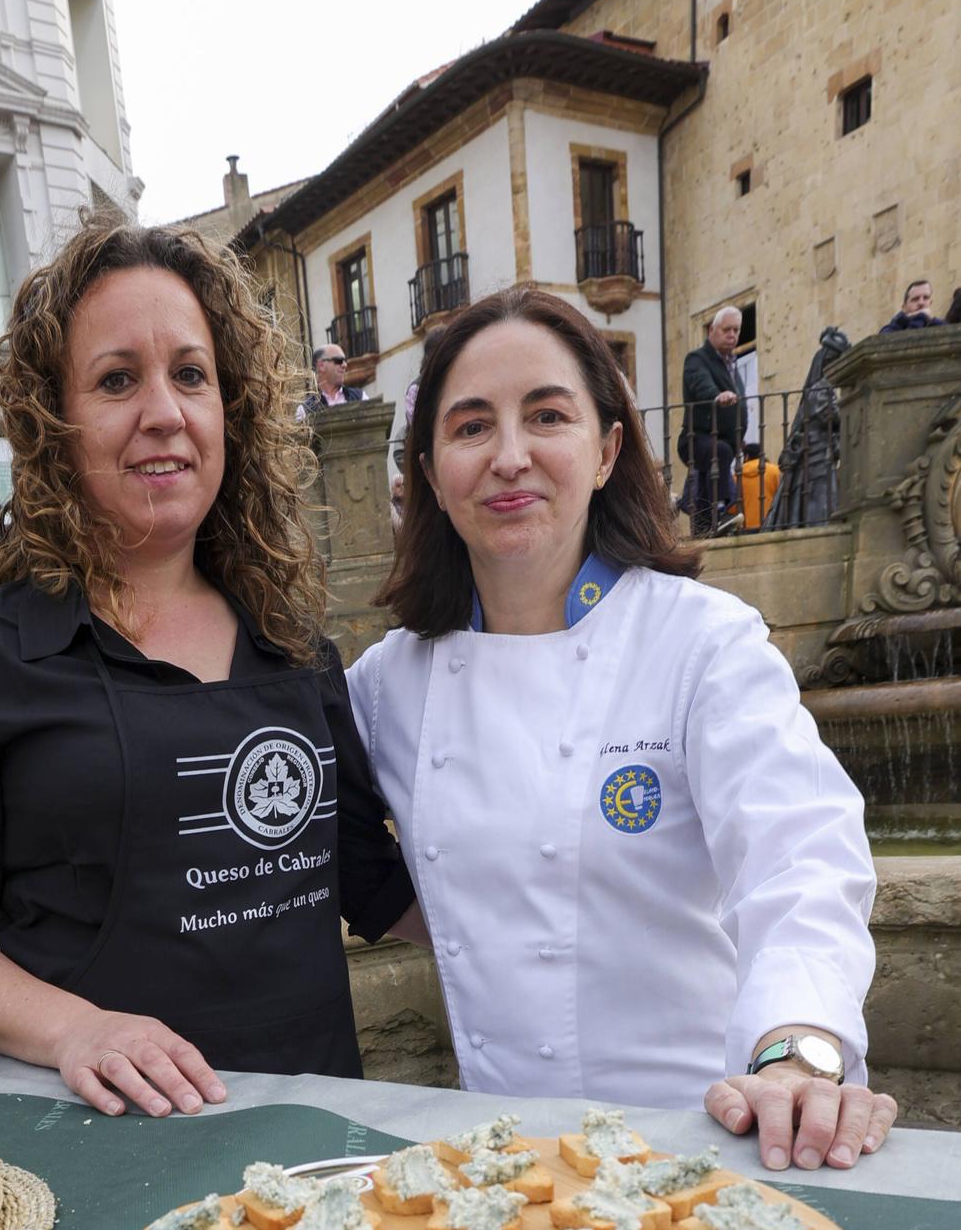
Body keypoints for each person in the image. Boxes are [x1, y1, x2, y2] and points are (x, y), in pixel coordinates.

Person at [0, 217, 414, 1118]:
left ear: (227, 409)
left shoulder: (290, 644)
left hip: (318, 1128)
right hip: (109, 1144)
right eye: (118, 380)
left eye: (190, 376)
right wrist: (76, 1029)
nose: (164, 411)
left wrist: (574, 919)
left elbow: (366, 877)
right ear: (56, 424)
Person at [347, 284, 897, 1173]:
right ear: (428, 474)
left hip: (705, 1145)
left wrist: (795, 1053)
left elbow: (800, 860)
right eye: (471, 426)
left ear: (605, 451)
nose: (510, 457)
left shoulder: (700, 643)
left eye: (547, 416)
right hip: (500, 1167)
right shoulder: (385, 685)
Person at [678, 306, 746, 536]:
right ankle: (719, 511)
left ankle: (706, 523)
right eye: (727, 329)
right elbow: (700, 383)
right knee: (721, 452)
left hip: (721, 439)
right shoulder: (697, 359)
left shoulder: (732, 363)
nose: (732, 335)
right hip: (695, 438)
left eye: (736, 330)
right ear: (712, 331)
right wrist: (717, 397)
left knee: (716, 464)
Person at [295, 345, 364, 421]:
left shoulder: (361, 397)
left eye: (345, 361)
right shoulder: (305, 410)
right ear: (321, 365)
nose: (344, 365)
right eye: (339, 360)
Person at [739, 443, 780, 531]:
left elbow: (733, 506)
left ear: (746, 456)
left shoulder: (737, 475)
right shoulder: (775, 471)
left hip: (746, 525)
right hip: (771, 521)